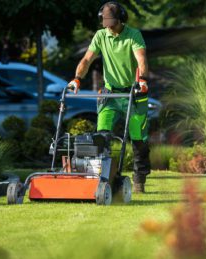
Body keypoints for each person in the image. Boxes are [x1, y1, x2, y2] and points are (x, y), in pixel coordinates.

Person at [68, 1, 150, 193]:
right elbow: (87, 59)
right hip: (110, 93)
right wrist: (77, 78)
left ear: (122, 19)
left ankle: (139, 180)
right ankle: (102, 177)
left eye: (113, 23)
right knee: (101, 136)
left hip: (134, 92)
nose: (110, 27)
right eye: (106, 23)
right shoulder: (100, 35)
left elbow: (141, 59)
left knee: (139, 139)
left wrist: (143, 80)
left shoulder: (133, 35)